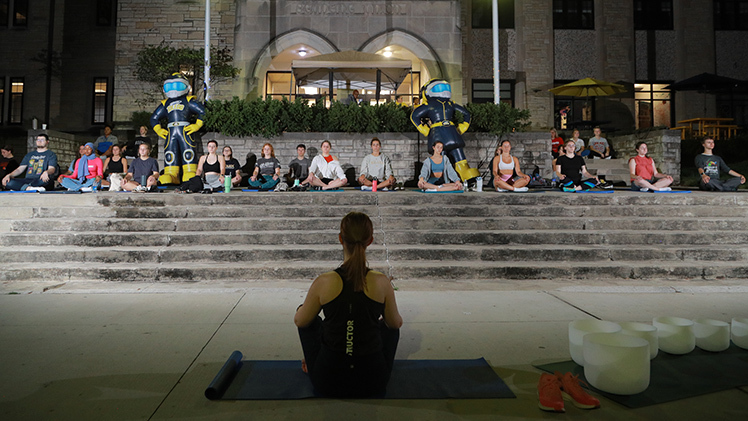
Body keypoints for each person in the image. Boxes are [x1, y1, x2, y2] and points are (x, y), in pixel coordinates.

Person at [294, 211, 402, 398]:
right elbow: (395, 324)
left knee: (306, 318)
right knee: (391, 325)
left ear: (340, 239)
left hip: (328, 381)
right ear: (370, 241)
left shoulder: (324, 281)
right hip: (372, 382)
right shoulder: (382, 282)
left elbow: (300, 322)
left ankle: (312, 363)